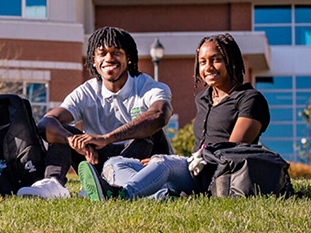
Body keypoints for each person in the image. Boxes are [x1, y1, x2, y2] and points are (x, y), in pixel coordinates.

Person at [79, 33, 270, 200]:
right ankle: (159, 196)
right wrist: (177, 161)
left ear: (232, 61)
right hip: (195, 170)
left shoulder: (250, 99)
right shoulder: (204, 99)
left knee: (164, 163)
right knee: (117, 163)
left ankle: (123, 195)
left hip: (219, 177)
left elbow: (231, 152)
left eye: (216, 59)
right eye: (203, 62)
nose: (208, 67)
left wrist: (175, 162)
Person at [17, 26, 173, 198]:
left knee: (150, 132)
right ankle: (53, 185)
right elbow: (46, 123)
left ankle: (112, 187)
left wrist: (106, 139)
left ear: (128, 58)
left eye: (116, 52)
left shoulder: (147, 86)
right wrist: (72, 141)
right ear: (93, 60)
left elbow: (160, 114)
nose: (109, 58)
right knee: (62, 130)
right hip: (96, 159)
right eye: (102, 53)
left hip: (138, 164)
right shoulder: (87, 91)